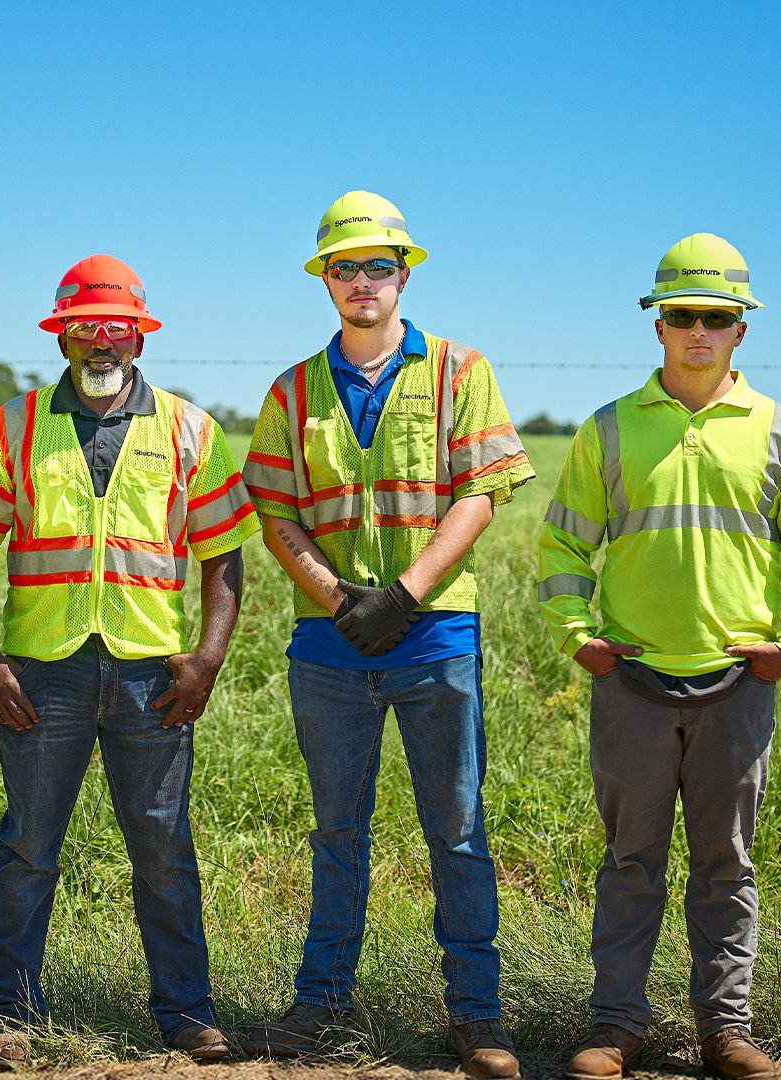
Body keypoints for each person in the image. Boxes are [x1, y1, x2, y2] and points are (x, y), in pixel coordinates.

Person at [539, 233, 781, 1080]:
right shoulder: (608, 429)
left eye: (716, 318)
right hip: (631, 682)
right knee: (630, 862)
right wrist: (582, 640)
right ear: (658, 324)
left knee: (726, 861)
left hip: (737, 687)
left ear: (741, 330)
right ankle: (615, 1029)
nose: (699, 333)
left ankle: (726, 1032)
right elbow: (563, 547)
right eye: (683, 316)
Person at [240, 192, 533, 1078]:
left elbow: (479, 493)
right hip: (331, 646)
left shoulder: (458, 370)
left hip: (435, 634)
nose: (361, 280)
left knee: (458, 831)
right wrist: (338, 599)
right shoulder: (293, 389)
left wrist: (403, 594)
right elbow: (276, 510)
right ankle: (322, 1006)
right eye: (344, 267)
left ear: (405, 273)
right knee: (338, 832)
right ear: (324, 280)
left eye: (377, 265)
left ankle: (478, 1017)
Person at [0, 254, 259, 1068]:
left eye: (116, 327)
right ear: (61, 336)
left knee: (164, 848)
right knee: (29, 846)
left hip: (150, 677)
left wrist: (205, 660)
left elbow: (224, 555)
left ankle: (188, 1013)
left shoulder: (191, 429)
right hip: (41, 672)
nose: (102, 341)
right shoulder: (14, 426)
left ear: (139, 335)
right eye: (84, 327)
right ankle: (5, 1013)